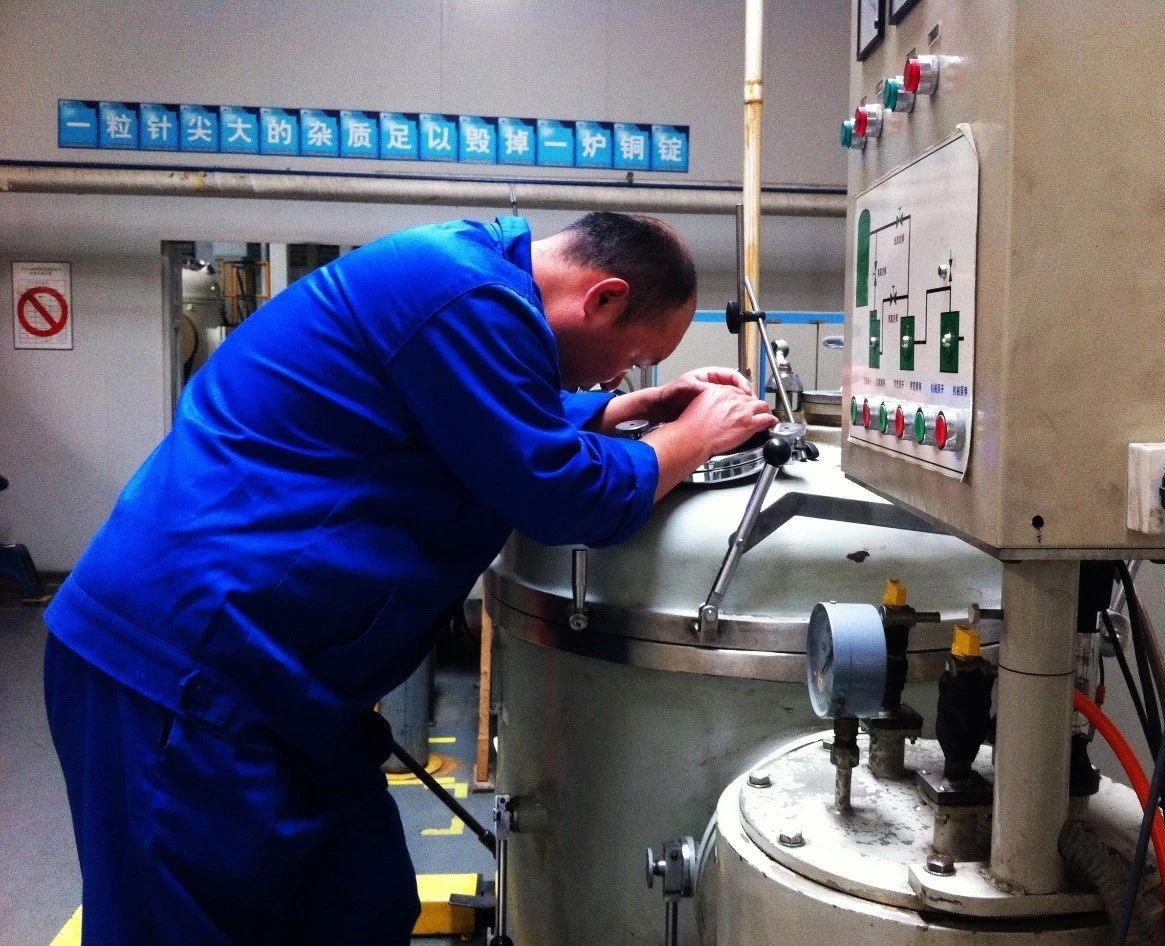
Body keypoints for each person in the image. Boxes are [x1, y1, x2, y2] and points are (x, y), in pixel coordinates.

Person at [43, 211, 775, 945]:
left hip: (291, 684)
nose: (620, 375)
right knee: (182, 926)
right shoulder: (463, 291)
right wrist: (690, 440)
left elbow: (488, 415)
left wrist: (615, 411)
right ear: (603, 297)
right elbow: (560, 493)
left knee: (358, 906)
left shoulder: (478, 288)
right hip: (184, 667)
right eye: (634, 359)